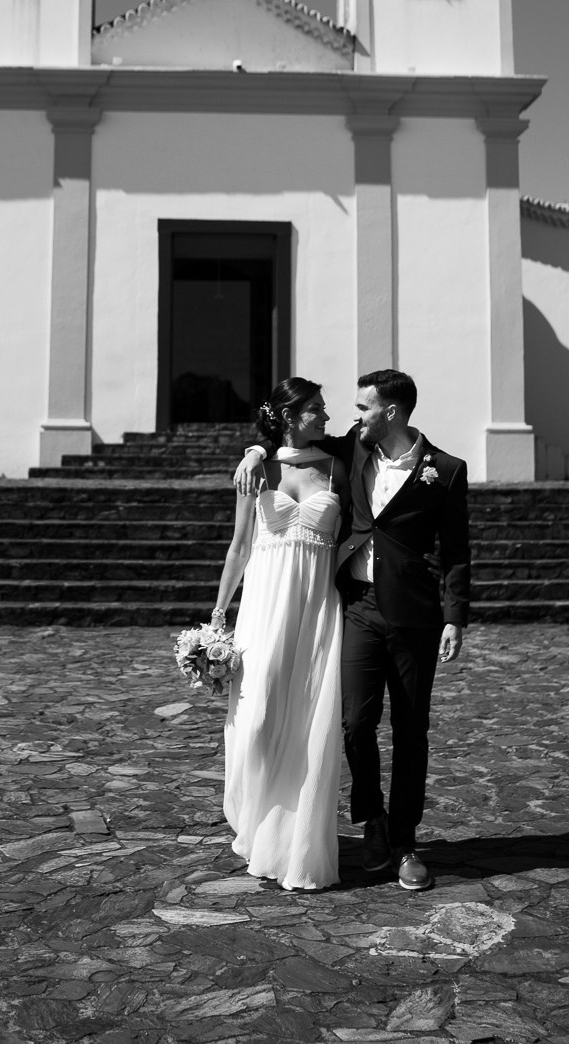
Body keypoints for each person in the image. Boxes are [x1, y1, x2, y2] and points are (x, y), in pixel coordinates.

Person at [235, 368, 470, 891]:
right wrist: (253, 449)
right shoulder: (351, 452)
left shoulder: (447, 470)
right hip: (357, 607)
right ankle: (374, 822)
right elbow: (287, 440)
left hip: (415, 616)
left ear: (391, 412)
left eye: (364, 407)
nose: (352, 416)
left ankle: (406, 841)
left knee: (411, 730)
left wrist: (455, 616)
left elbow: (455, 552)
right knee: (354, 722)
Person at [210, 377, 348, 891]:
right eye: (315, 409)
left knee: (311, 724)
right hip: (265, 609)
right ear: (289, 415)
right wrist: (219, 614)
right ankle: (254, 821)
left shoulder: (336, 466)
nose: (325, 416)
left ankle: (295, 844)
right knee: (258, 717)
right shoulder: (259, 469)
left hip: (316, 609)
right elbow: (238, 548)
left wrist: (259, 444)